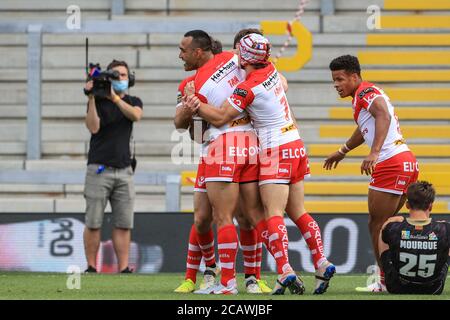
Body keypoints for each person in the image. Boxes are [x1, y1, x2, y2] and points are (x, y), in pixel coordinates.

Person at [186, 33, 336, 295]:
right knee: (298, 212)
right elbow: (284, 85)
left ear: (244, 56)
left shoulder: (248, 87)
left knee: (271, 214)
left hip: (272, 149)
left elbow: (221, 117)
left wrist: (195, 103)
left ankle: (282, 269)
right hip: (296, 143)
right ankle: (321, 262)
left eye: (238, 52)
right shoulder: (273, 70)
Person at [173, 31, 272, 295]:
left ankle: (235, 280)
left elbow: (188, 128)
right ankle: (211, 272)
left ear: (197, 52)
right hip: (245, 145)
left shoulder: (200, 82)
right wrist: (188, 105)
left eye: (183, 50)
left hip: (222, 148)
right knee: (204, 217)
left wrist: (192, 103)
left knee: (228, 216)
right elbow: (187, 127)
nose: (179, 55)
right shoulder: (231, 61)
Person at [323, 55, 419, 292]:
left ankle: (385, 282)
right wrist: (342, 150)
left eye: (340, 79)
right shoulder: (361, 97)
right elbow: (365, 128)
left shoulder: (365, 92)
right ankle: (409, 272)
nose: (336, 84)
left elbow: (382, 115)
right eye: (334, 80)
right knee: (393, 223)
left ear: (354, 77)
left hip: (390, 162)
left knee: (376, 225)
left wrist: (374, 152)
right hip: (406, 160)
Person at [83, 59, 143, 273]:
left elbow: (135, 115)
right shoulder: (98, 101)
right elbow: (93, 127)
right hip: (99, 168)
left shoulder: (134, 100)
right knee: (93, 221)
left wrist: (115, 98)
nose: (119, 78)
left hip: (124, 169)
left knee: (124, 222)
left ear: (130, 78)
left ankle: (124, 267)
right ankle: (91, 266)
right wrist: (91, 98)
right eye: (115, 75)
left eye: (123, 75)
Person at [379, 181, 449, 294]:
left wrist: (386, 224)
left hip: (396, 288)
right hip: (433, 289)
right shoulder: (445, 228)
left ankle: (383, 279)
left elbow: (385, 256)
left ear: (407, 205)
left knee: (384, 231)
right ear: (431, 205)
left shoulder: (393, 227)